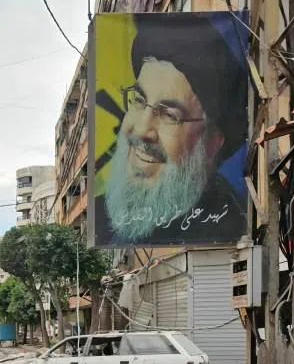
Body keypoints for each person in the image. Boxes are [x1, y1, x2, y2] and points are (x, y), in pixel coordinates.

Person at [94, 15, 247, 245]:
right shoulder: (101, 215)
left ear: (213, 142)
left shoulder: (230, 227)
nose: (142, 130)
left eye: (169, 115)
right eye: (139, 100)